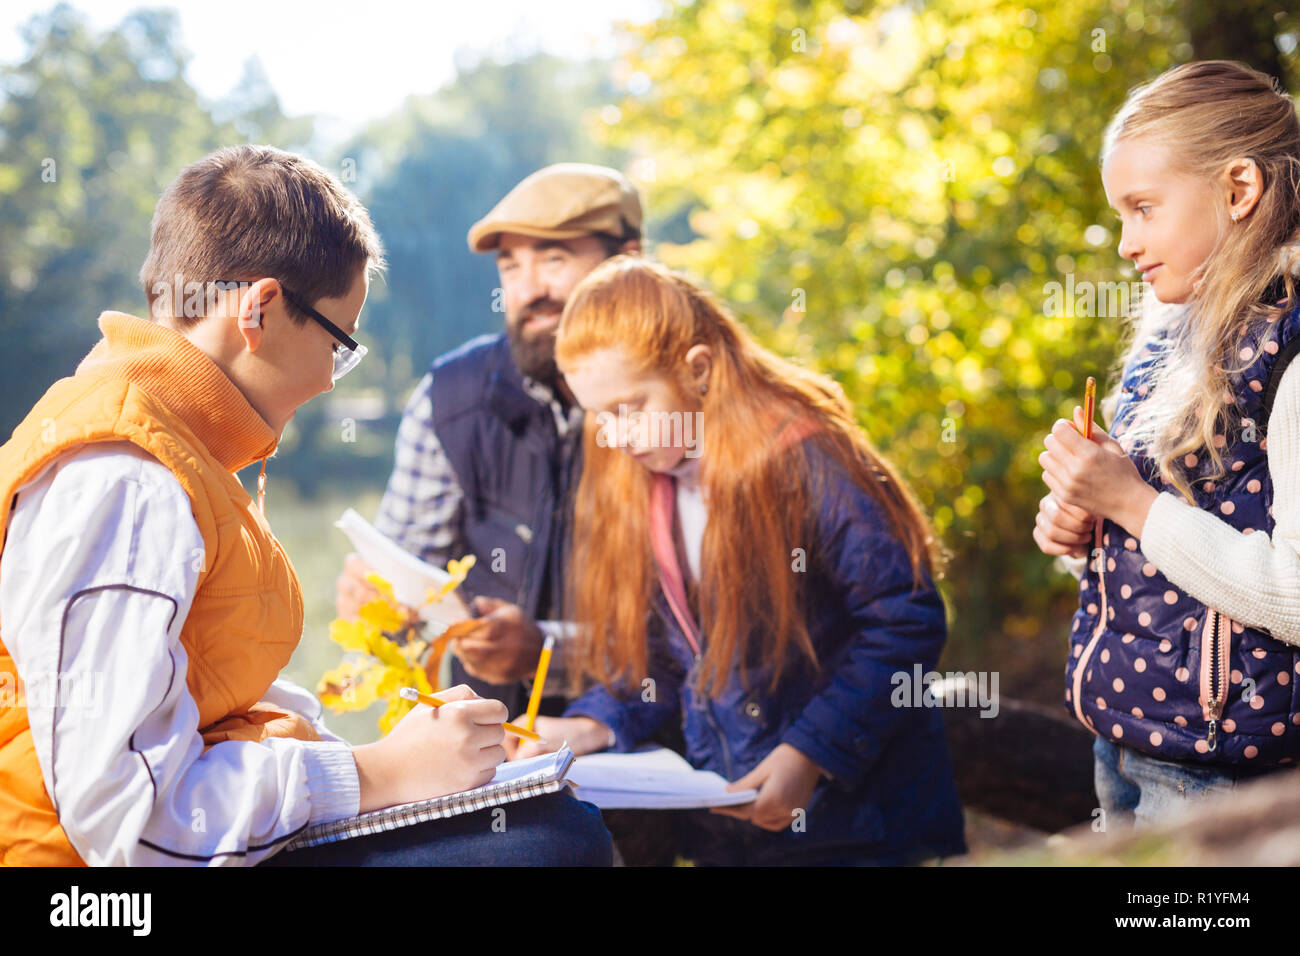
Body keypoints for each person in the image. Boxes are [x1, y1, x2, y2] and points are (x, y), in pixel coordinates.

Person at [0, 144, 610, 866]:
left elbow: (201, 695)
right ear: (258, 310)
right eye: (338, 343)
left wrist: (388, 763)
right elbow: (129, 820)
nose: (329, 380)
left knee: (547, 821)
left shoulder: (173, 450)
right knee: (549, 848)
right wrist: (376, 774)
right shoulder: (127, 482)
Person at [510, 256, 968, 866]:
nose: (615, 437)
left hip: (862, 831)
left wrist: (812, 753)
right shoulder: (650, 484)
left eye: (630, 407)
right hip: (733, 832)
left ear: (698, 370)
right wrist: (591, 724)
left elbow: (905, 620)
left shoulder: (807, 463)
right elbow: (668, 662)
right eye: (600, 416)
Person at [1036, 60, 1300, 830]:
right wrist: (1076, 526)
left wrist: (1130, 501)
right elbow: (1148, 534)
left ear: (1239, 189)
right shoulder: (1169, 334)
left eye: (1144, 209)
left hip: (1226, 772)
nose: (1126, 244)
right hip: (1128, 747)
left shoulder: (1289, 354)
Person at [335, 163, 643, 717]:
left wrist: (548, 652)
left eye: (555, 259)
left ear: (629, 261)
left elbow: (709, 634)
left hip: (660, 759)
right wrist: (384, 611)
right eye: (511, 265)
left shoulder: (681, 407)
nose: (530, 289)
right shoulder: (450, 398)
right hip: (492, 759)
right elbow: (411, 581)